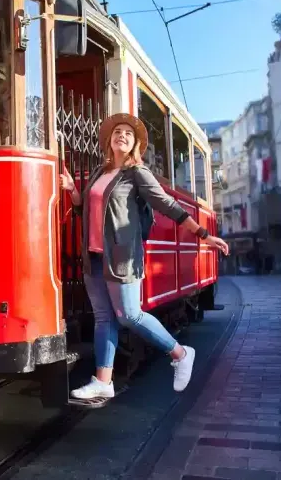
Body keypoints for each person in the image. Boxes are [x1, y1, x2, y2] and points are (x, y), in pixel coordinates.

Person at [59, 113, 230, 400]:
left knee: (130, 315)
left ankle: (180, 353)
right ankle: (103, 381)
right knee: (104, 318)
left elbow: (167, 205)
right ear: (109, 141)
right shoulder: (101, 174)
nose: (121, 135)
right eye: (117, 132)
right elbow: (88, 211)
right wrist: (74, 191)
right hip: (95, 257)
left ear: (135, 143)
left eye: (127, 133)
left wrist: (204, 234)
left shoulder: (137, 173)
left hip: (123, 258)